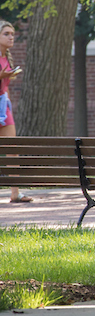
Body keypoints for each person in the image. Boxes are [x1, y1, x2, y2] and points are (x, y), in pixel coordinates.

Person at [0, 20, 30, 203]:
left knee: (12, 149)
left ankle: (15, 192)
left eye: (12, 34)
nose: (11, 37)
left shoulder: (6, 57)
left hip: (4, 105)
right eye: (6, 34)